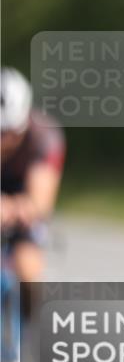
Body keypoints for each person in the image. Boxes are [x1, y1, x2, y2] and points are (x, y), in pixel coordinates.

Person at [1, 66, 65, 322]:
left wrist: (13, 208)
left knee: (27, 269)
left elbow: (40, 203)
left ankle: (29, 330)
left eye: (8, 134)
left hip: (22, 196)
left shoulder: (45, 137)